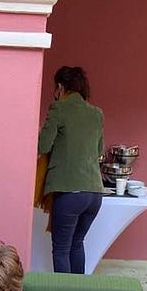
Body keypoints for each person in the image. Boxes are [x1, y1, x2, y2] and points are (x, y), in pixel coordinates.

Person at [38, 66, 104, 274]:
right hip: (95, 193)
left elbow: (42, 146)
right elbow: (99, 150)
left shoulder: (59, 108)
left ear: (60, 87)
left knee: (61, 249)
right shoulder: (96, 113)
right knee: (77, 244)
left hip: (70, 192)